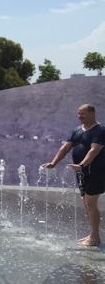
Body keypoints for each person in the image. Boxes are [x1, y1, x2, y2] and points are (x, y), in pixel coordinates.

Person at [42, 103, 105, 246]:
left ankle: (95, 237)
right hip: (82, 172)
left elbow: (94, 151)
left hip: (96, 172)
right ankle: (92, 234)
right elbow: (65, 147)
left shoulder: (99, 130)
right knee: (86, 203)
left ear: (92, 114)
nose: (79, 116)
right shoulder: (77, 130)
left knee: (90, 204)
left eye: (82, 113)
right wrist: (54, 162)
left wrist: (81, 165)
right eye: (78, 113)